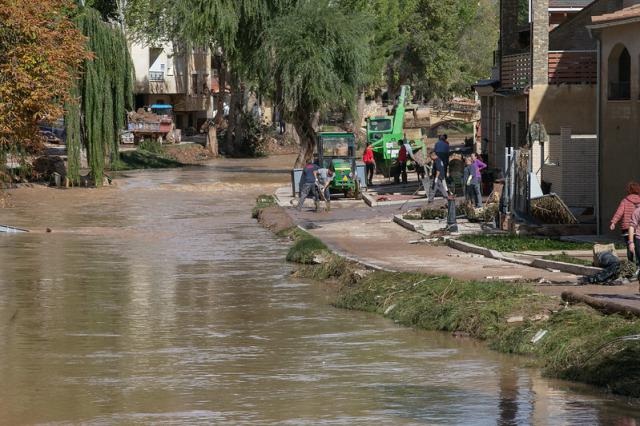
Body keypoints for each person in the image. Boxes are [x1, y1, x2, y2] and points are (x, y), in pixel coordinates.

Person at [611, 181, 640, 262]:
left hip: (627, 227)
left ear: (629, 190)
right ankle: (638, 264)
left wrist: (613, 222)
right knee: (638, 247)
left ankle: (630, 264)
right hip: (637, 228)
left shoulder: (625, 200)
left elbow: (619, 212)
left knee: (629, 246)